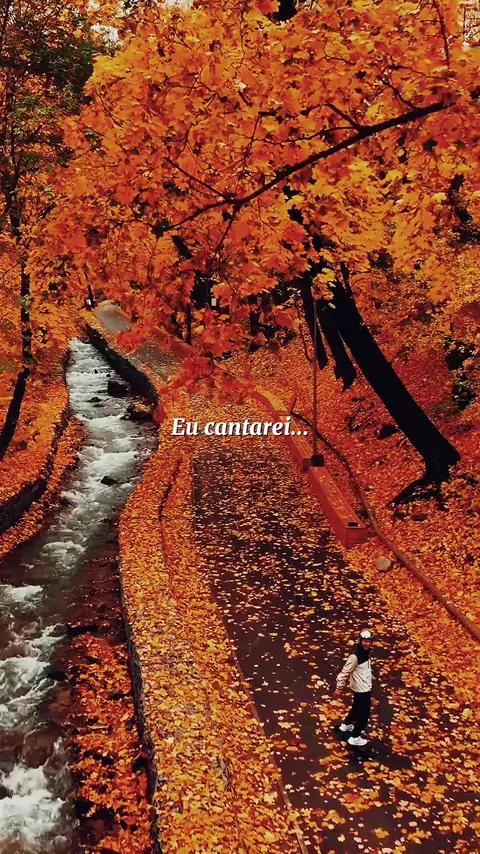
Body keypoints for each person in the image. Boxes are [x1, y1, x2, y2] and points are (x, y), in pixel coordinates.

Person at [333, 629, 373, 746]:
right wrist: (339, 688)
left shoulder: (364, 652)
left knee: (356, 708)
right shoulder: (355, 656)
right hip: (362, 688)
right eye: (364, 641)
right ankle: (355, 737)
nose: (367, 644)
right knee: (364, 713)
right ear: (360, 641)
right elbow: (344, 672)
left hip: (362, 685)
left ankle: (346, 725)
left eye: (369, 641)